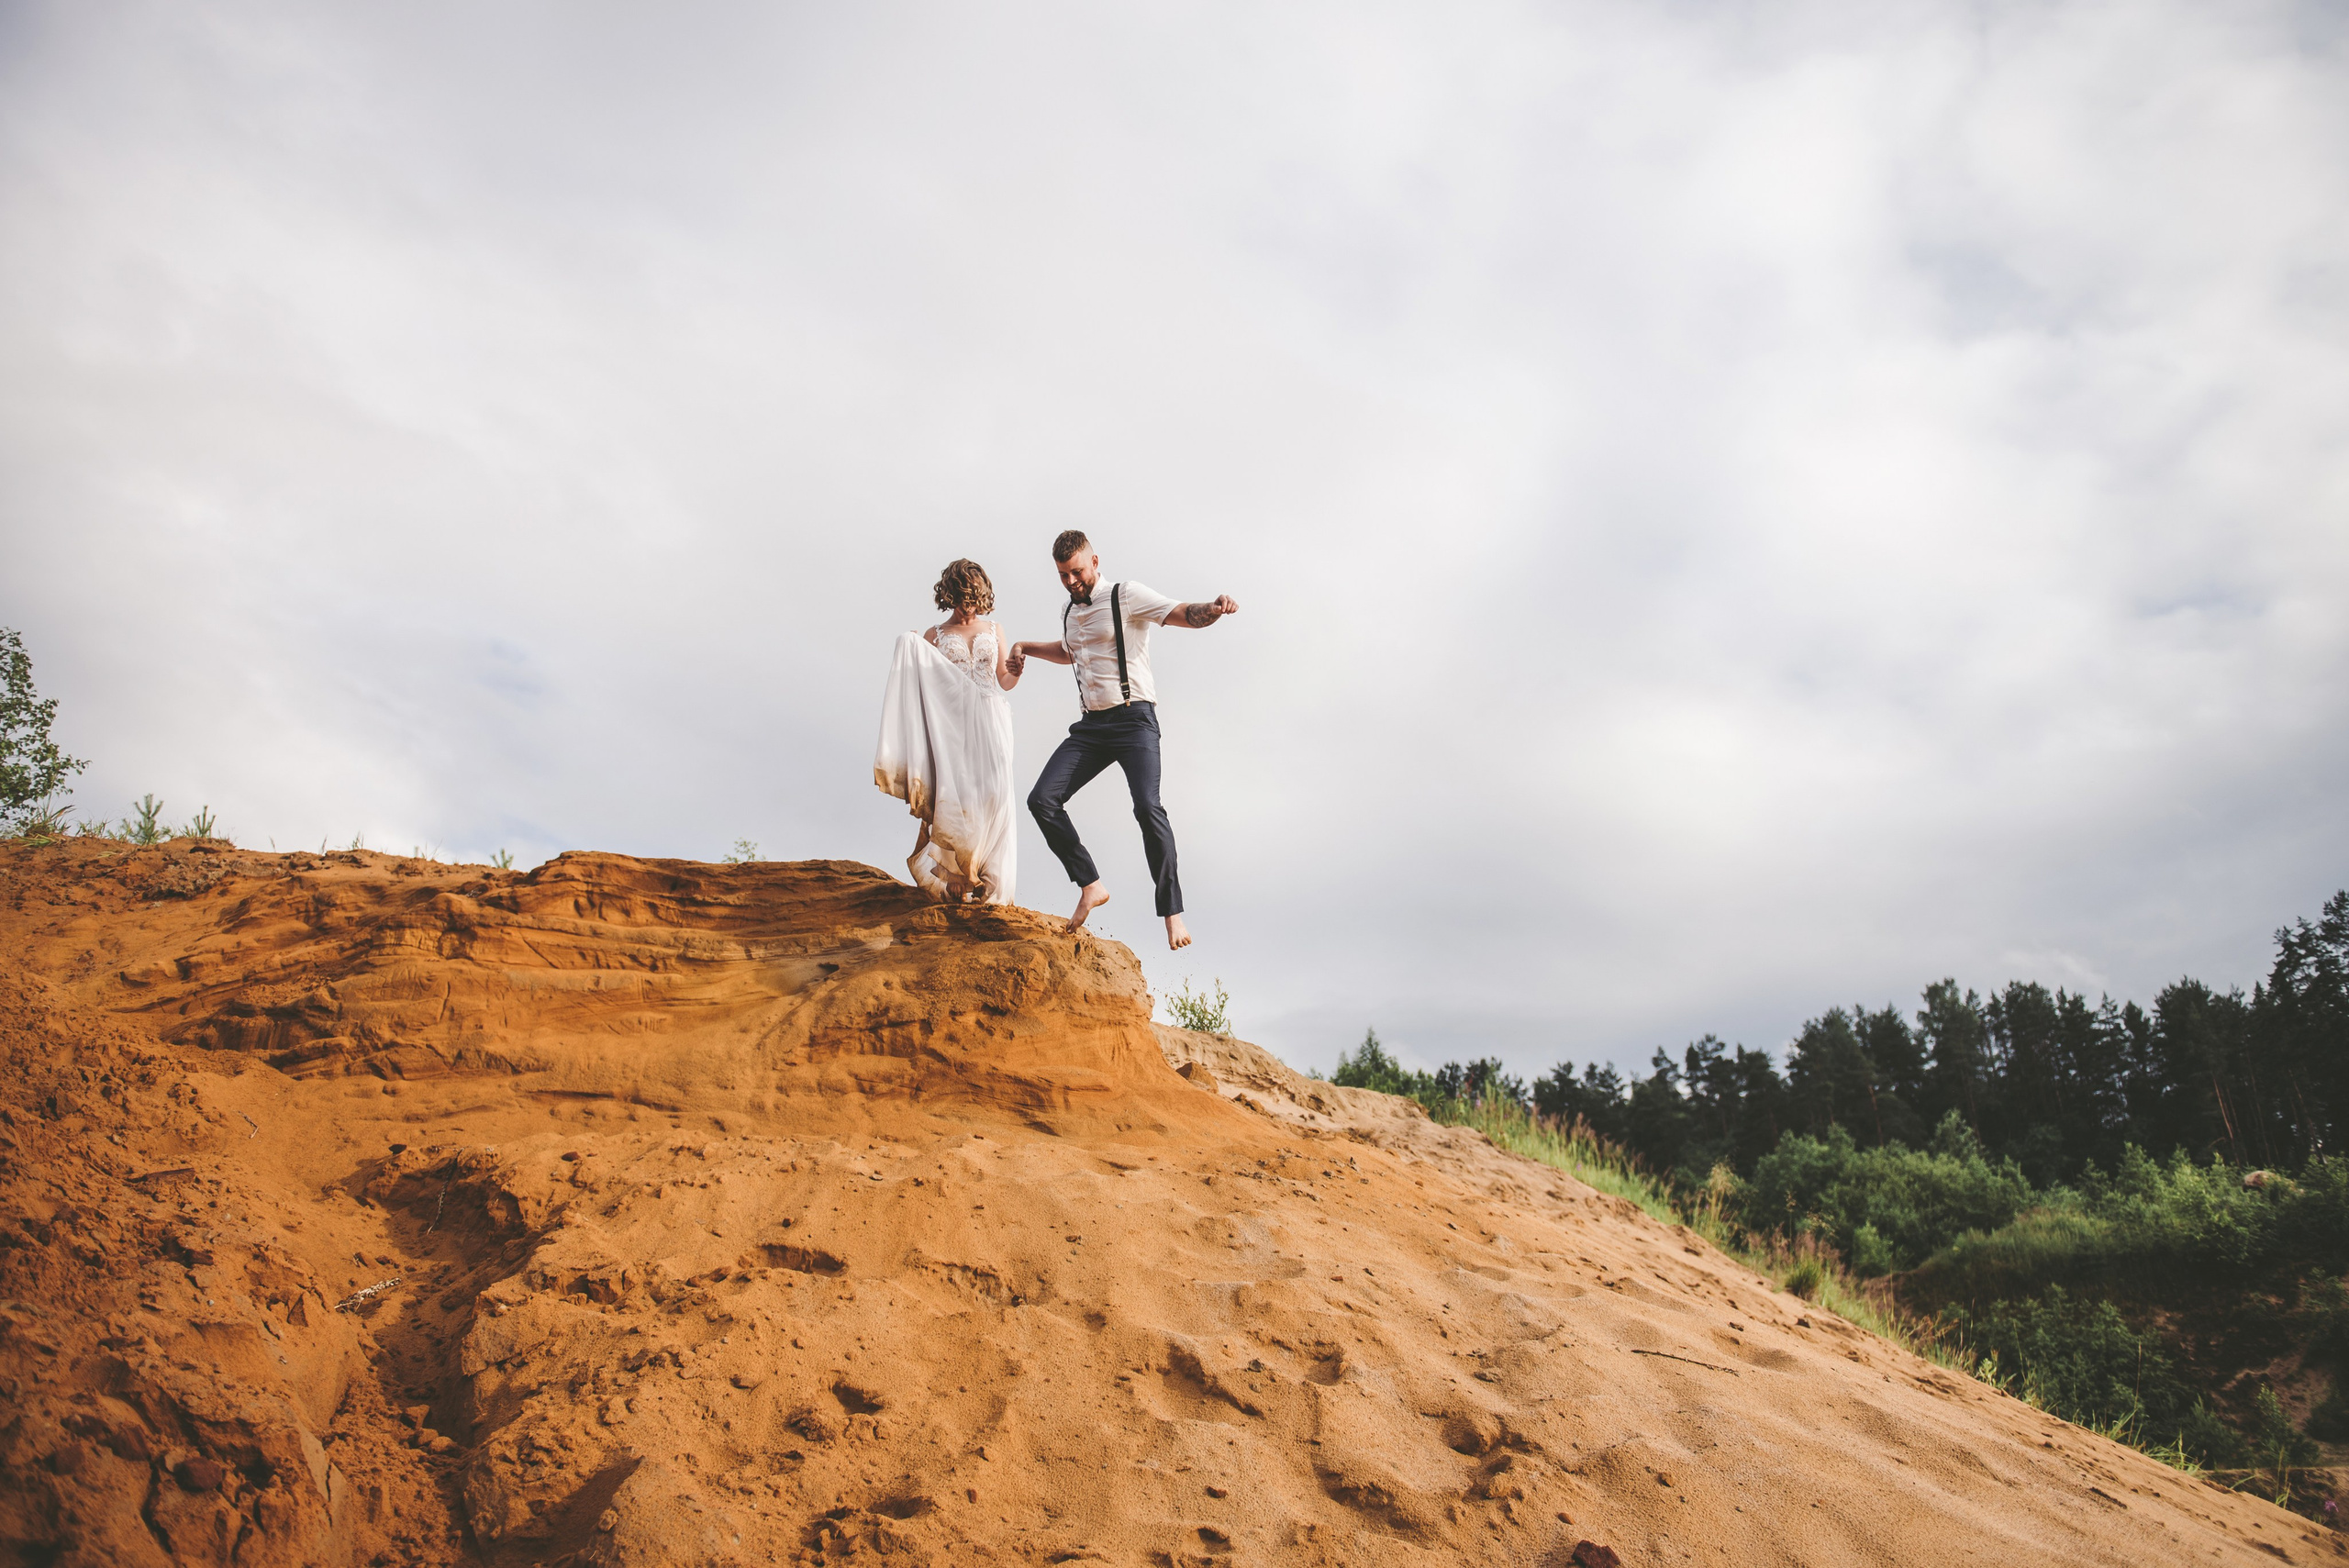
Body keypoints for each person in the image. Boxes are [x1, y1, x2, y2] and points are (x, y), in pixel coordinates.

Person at [1007, 530, 1238, 950]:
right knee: (1041, 799)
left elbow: (1181, 612)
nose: (1072, 581)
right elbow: (1069, 651)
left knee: (1147, 807)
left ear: (1095, 561)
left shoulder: (1126, 595)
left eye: (1076, 571)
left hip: (1135, 722)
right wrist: (1025, 646)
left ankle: (1172, 914)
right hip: (1092, 728)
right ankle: (1090, 884)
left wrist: (1214, 609)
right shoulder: (1068, 612)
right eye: (1063, 575)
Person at [874, 558, 1021, 903]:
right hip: (953, 724)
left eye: (973, 599)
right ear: (950, 595)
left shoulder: (994, 629)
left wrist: (1016, 669)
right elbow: (925, 686)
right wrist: (911, 647)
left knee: (994, 794)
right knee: (957, 791)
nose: (967, 608)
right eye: (961, 599)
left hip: (991, 717)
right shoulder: (934, 635)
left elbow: (1005, 680)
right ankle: (955, 872)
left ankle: (988, 876)